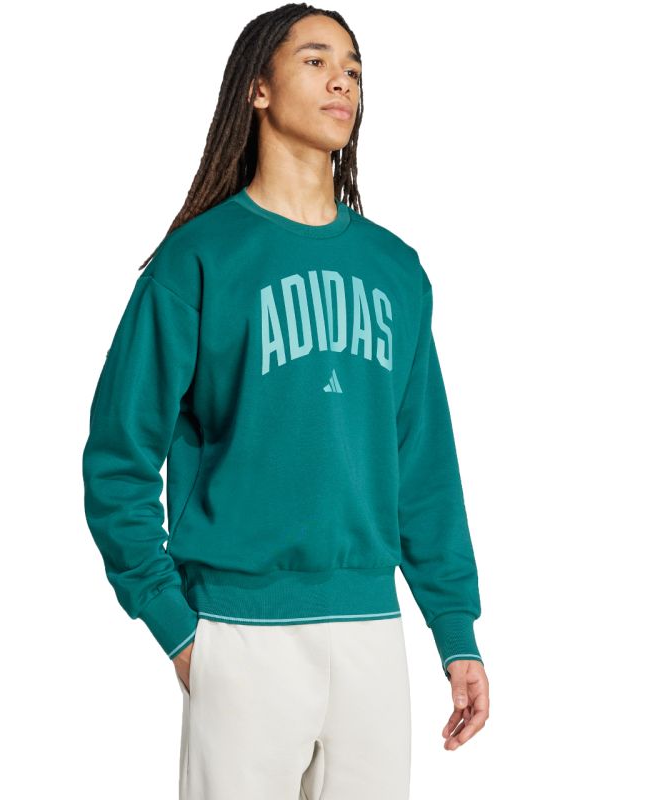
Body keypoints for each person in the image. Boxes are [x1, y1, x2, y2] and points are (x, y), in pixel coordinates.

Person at [81, 3, 490, 798]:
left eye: (354, 68)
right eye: (316, 60)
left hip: (372, 633)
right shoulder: (199, 259)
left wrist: (456, 631)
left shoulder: (396, 270)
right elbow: (118, 459)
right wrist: (178, 629)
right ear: (258, 89)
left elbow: (423, 465)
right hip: (239, 632)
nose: (343, 80)